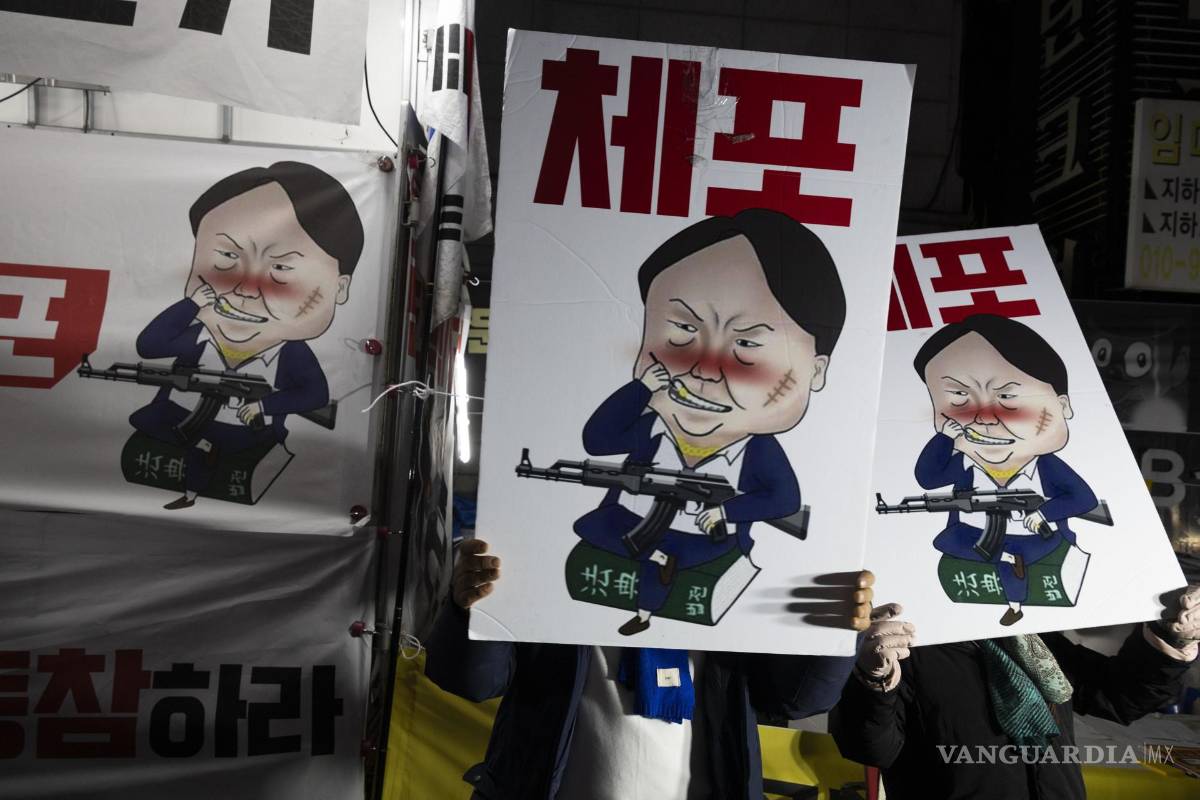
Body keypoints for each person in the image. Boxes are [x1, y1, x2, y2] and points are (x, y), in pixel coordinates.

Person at [425, 537, 873, 800]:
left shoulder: (737, 581)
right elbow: (473, 681)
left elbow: (798, 698)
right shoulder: (551, 559)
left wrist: (835, 634)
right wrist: (469, 610)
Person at [574, 209, 847, 635]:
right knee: (627, 541)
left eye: (746, 344)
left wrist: (726, 510)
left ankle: (646, 609)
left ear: (815, 371)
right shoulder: (650, 423)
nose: (704, 370)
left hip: (704, 539)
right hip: (632, 524)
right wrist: (641, 391)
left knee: (667, 555)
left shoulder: (757, 451)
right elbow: (597, 441)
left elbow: (784, 499)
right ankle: (648, 603)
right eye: (682, 330)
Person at [129, 161, 363, 509]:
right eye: (226, 256)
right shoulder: (197, 334)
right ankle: (190, 493)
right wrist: (190, 306)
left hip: (247, 434)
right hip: (177, 421)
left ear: (339, 288)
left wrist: (264, 405)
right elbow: (149, 346)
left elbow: (315, 394)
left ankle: (192, 492)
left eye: (281, 268)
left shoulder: (290, 354)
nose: (246, 289)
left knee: (209, 449)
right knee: (189, 441)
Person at [829, 589, 1200, 800]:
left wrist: (1169, 637)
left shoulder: (1032, 638)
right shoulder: (897, 651)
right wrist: (873, 678)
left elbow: (1120, 698)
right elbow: (871, 749)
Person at [911, 314, 1098, 625]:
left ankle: (1014, 604)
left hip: (1031, 539)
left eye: (1007, 397)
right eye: (959, 396)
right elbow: (928, 478)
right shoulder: (962, 461)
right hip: (974, 534)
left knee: (1013, 561)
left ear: (1062, 405)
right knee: (954, 543)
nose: (983, 417)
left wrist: (1043, 515)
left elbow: (1083, 499)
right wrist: (946, 438)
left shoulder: (1046, 467)